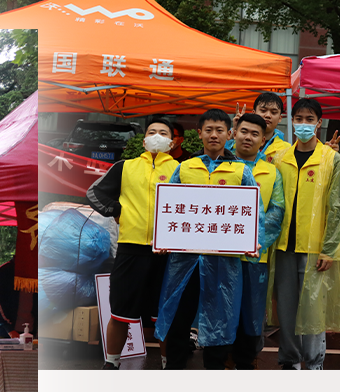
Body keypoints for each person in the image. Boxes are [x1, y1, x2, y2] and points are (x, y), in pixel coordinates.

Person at [155, 109, 257, 370]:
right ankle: (174, 369)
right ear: (199, 133)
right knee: (179, 314)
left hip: (224, 261)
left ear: (229, 134)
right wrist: (162, 236)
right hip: (184, 261)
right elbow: (168, 208)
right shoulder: (185, 168)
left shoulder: (241, 171)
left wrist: (254, 241)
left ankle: (215, 371)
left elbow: (255, 214)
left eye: (219, 130)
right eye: (208, 130)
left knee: (221, 315)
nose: (214, 135)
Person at [90, 117, 180, 369]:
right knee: (120, 311)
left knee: (165, 314)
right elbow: (94, 192)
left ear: (172, 143)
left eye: (163, 133)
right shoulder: (125, 167)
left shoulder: (181, 170)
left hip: (167, 252)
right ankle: (111, 363)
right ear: (143, 140)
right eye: (152, 132)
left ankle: (168, 364)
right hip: (130, 247)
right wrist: (117, 210)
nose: (157, 136)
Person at [270, 98, 340, 370]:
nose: (303, 124)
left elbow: (338, 207)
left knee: (314, 308)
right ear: (291, 121)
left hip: (315, 248)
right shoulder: (279, 158)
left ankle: (315, 363)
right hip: (283, 246)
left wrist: (330, 248)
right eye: (299, 118)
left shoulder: (331, 159)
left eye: (309, 119)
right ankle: (290, 361)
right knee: (287, 308)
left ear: (319, 123)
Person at [230, 112, 288, 370]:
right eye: (244, 131)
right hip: (220, 256)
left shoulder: (272, 172)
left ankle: (245, 364)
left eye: (255, 134)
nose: (248, 137)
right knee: (221, 309)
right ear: (234, 134)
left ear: (263, 140)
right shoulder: (218, 166)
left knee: (251, 313)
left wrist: (257, 241)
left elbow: (276, 211)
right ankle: (220, 362)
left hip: (255, 256)